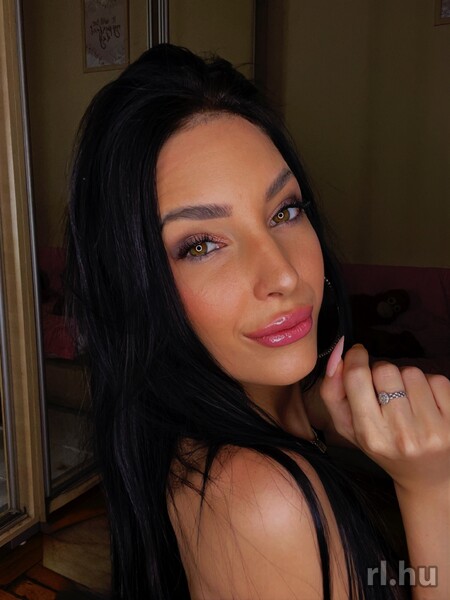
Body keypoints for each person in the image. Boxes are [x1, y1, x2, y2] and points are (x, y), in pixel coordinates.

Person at [65, 44, 450, 600]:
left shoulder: (187, 440)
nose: (284, 274)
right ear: (134, 286)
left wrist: (313, 411)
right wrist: (433, 489)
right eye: (201, 245)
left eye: (284, 211)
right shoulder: (267, 504)